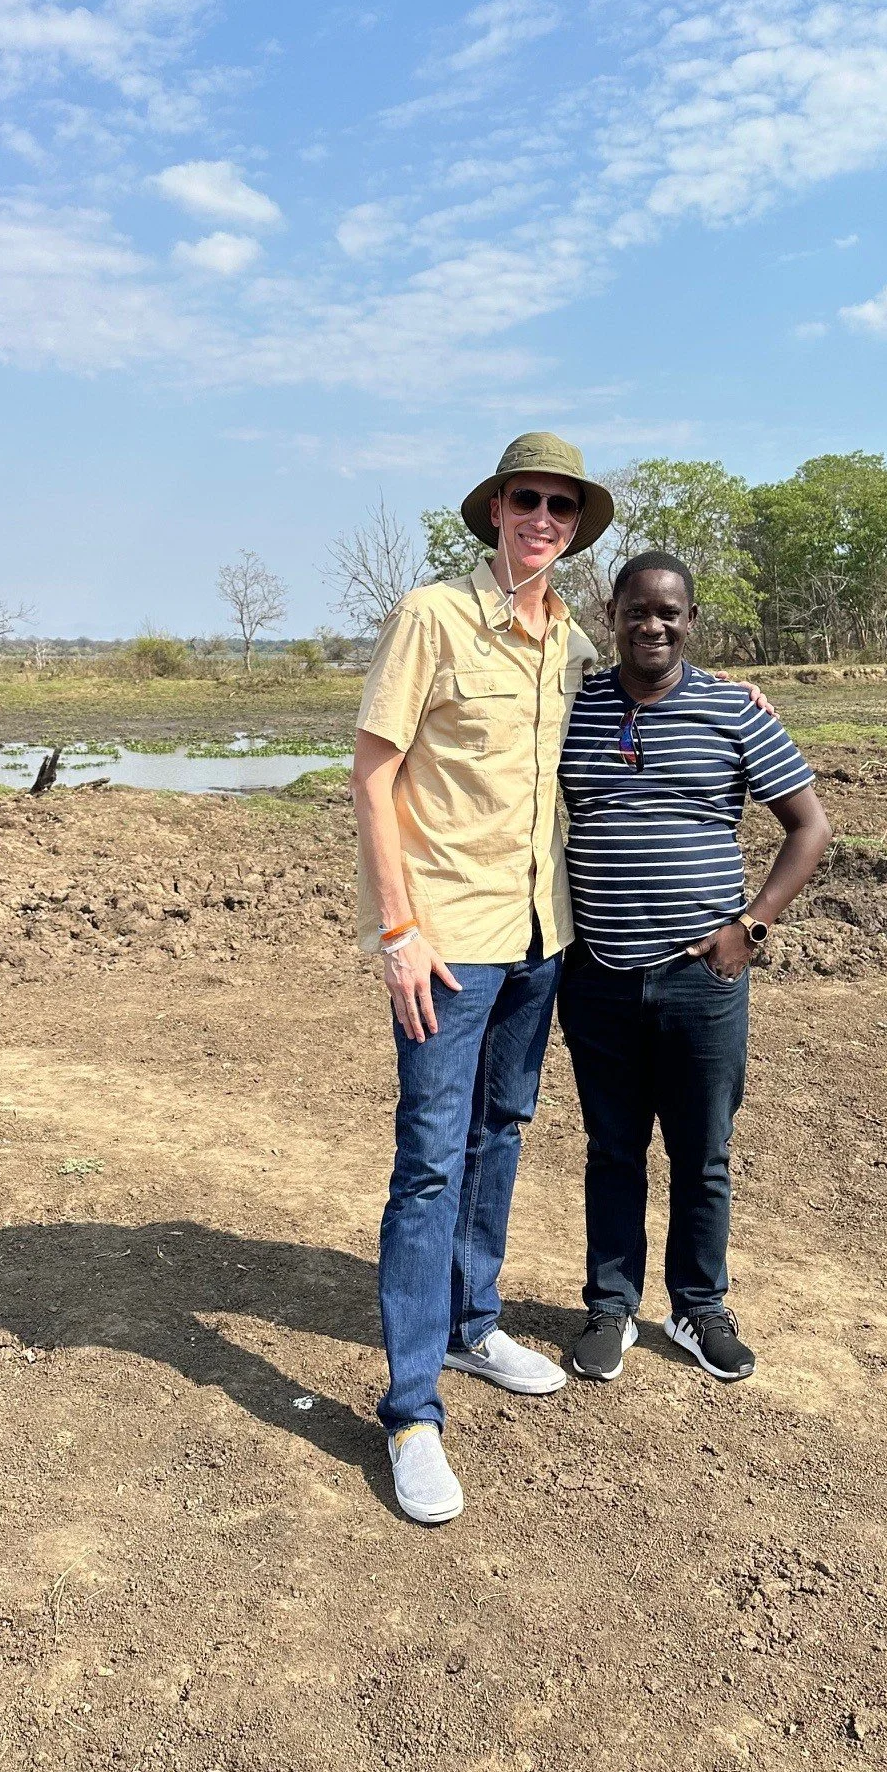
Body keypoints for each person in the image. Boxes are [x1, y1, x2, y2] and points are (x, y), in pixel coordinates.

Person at [350, 432, 612, 1525]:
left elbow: (630, 724)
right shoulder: (432, 617)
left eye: (562, 504)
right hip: (447, 941)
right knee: (428, 1162)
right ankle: (412, 1413)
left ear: (576, 526)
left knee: (501, 1129)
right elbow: (373, 773)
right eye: (526, 498)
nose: (542, 517)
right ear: (495, 510)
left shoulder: (573, 645)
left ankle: (471, 1323)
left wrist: (732, 707)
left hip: (539, 934)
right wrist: (397, 928)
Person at [556, 549, 832, 1386]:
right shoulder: (571, 708)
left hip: (700, 979)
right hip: (597, 973)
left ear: (691, 621)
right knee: (612, 1148)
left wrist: (751, 925)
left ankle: (698, 1307)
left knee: (702, 1154)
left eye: (668, 613)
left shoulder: (733, 709)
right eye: (637, 610)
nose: (653, 625)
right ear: (611, 616)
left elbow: (810, 827)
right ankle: (611, 1306)